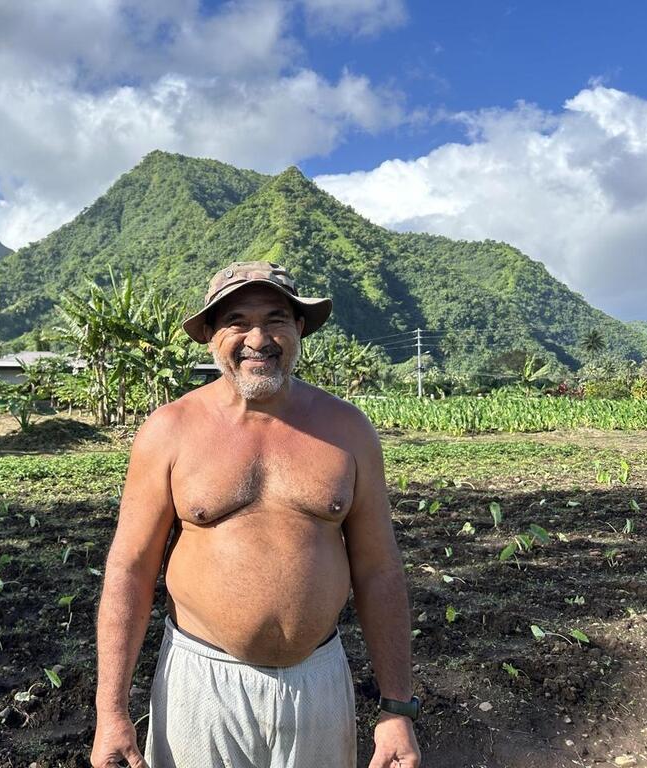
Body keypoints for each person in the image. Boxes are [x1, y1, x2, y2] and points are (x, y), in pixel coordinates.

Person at [90, 261, 422, 768]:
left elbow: (379, 571)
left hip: (318, 680)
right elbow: (130, 570)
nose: (258, 338)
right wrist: (110, 710)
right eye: (237, 321)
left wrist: (397, 707)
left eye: (276, 319)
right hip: (201, 683)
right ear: (209, 336)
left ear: (300, 329)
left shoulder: (349, 431)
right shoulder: (169, 431)